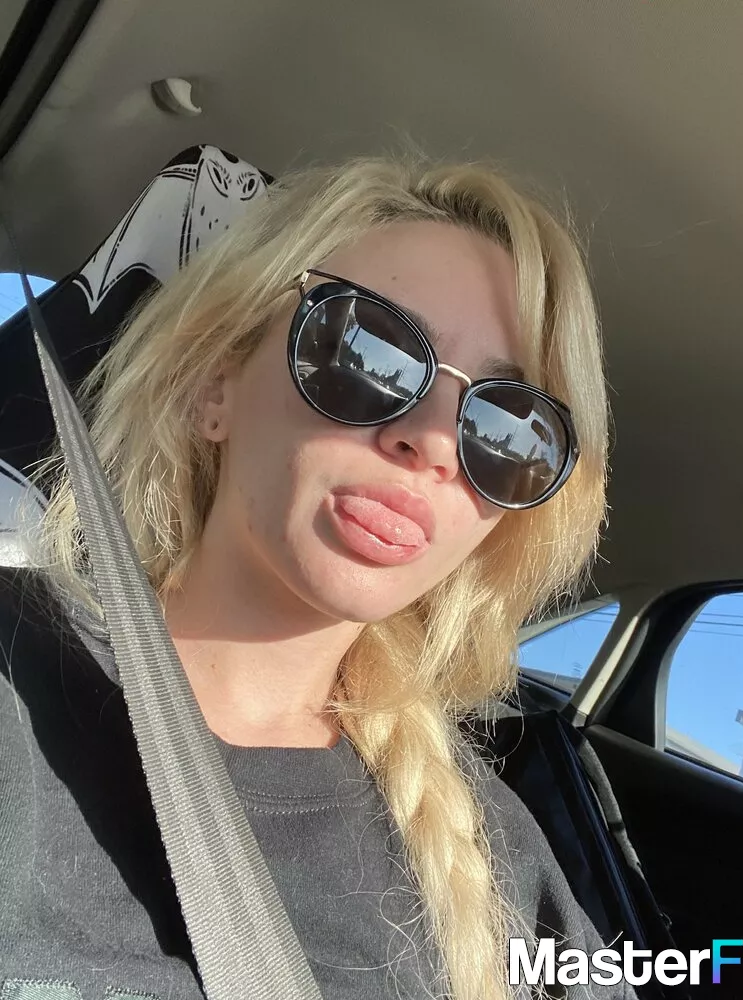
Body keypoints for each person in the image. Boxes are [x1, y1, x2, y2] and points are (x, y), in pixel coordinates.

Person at [0, 154, 633, 1000]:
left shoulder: (499, 862)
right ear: (215, 384)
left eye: (508, 429)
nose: (434, 444)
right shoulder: (14, 681)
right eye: (369, 353)